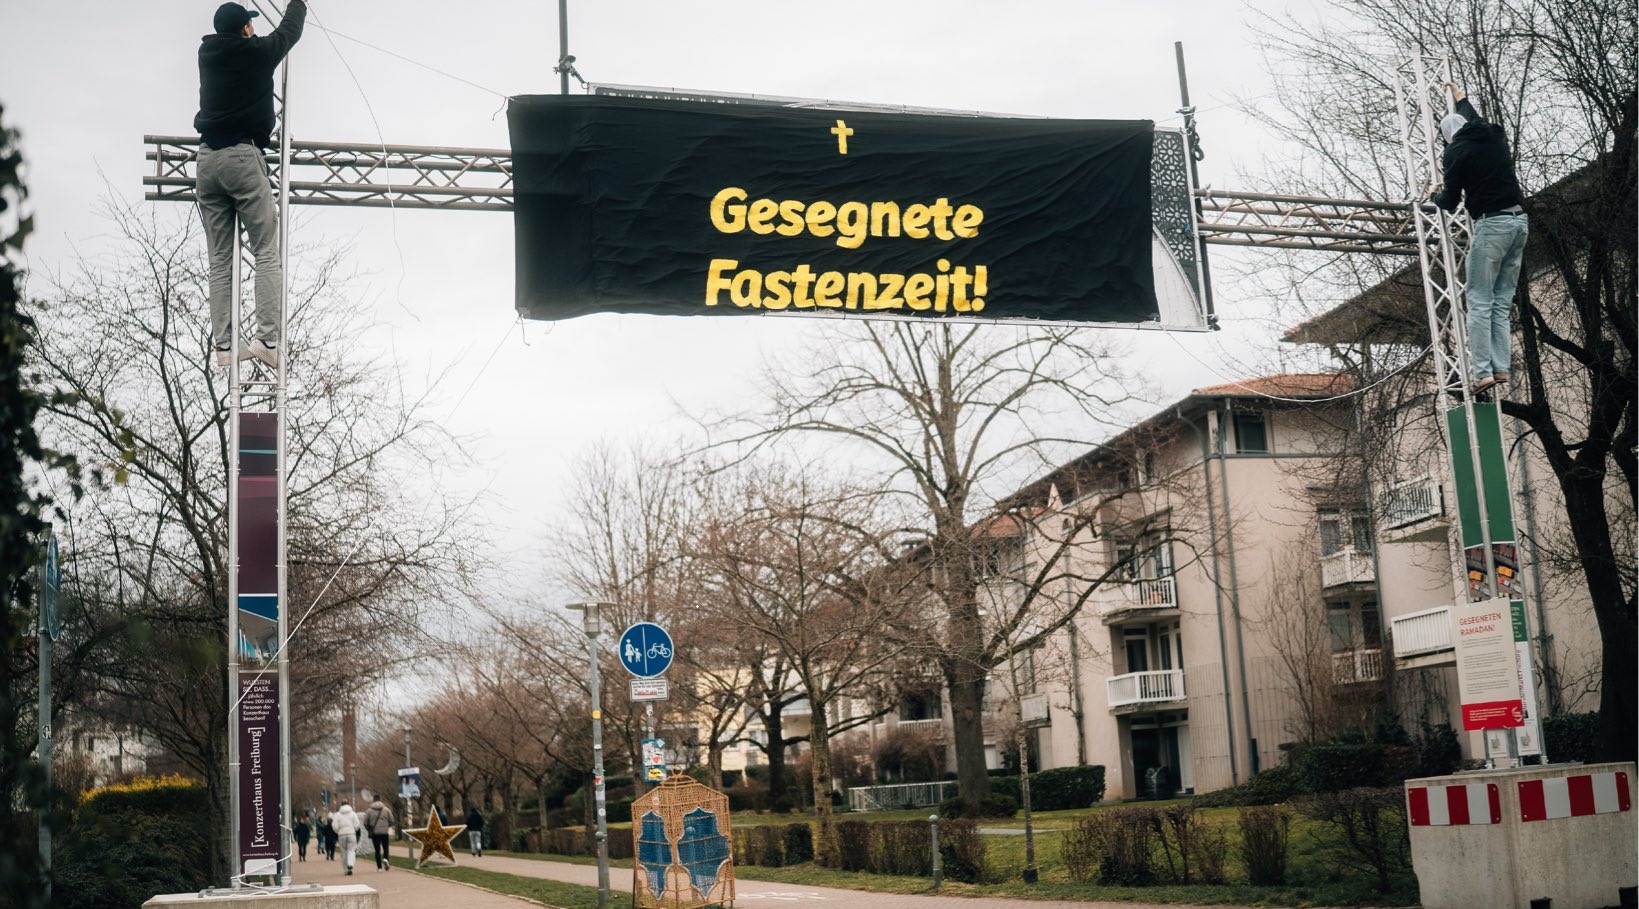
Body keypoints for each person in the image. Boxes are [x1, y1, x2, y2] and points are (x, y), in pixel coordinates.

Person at [193, 0, 308, 371]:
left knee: (220, 260)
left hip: (206, 161)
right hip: (242, 158)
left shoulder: (206, 55)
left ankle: (224, 348)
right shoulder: (254, 54)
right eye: (250, 26)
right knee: (265, 250)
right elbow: (288, 33)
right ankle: (267, 340)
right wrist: (298, 3)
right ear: (244, 28)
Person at [1430, 82, 1528, 398]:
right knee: (1501, 302)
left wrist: (1434, 193)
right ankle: (1501, 369)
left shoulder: (1455, 153)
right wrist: (1462, 99)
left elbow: (1449, 202)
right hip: (1519, 223)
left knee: (1479, 301)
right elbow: (1473, 118)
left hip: (1493, 226)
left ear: (1447, 137)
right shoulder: (1492, 135)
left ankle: (1483, 372)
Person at [363, 797, 396, 872]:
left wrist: (369, 829)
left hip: (375, 833)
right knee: (385, 848)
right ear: (380, 800)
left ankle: (379, 867)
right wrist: (387, 826)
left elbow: (365, 822)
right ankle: (385, 859)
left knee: (377, 850)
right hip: (384, 832)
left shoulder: (369, 811)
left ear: (373, 800)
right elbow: (391, 820)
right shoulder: (387, 810)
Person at [331, 799, 360, 876]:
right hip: (351, 834)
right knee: (351, 850)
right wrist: (354, 829)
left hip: (341, 835)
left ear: (341, 805)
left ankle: (346, 869)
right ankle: (350, 864)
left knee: (343, 852)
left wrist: (338, 831)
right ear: (348, 804)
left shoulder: (337, 815)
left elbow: (335, 826)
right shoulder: (353, 814)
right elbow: (357, 825)